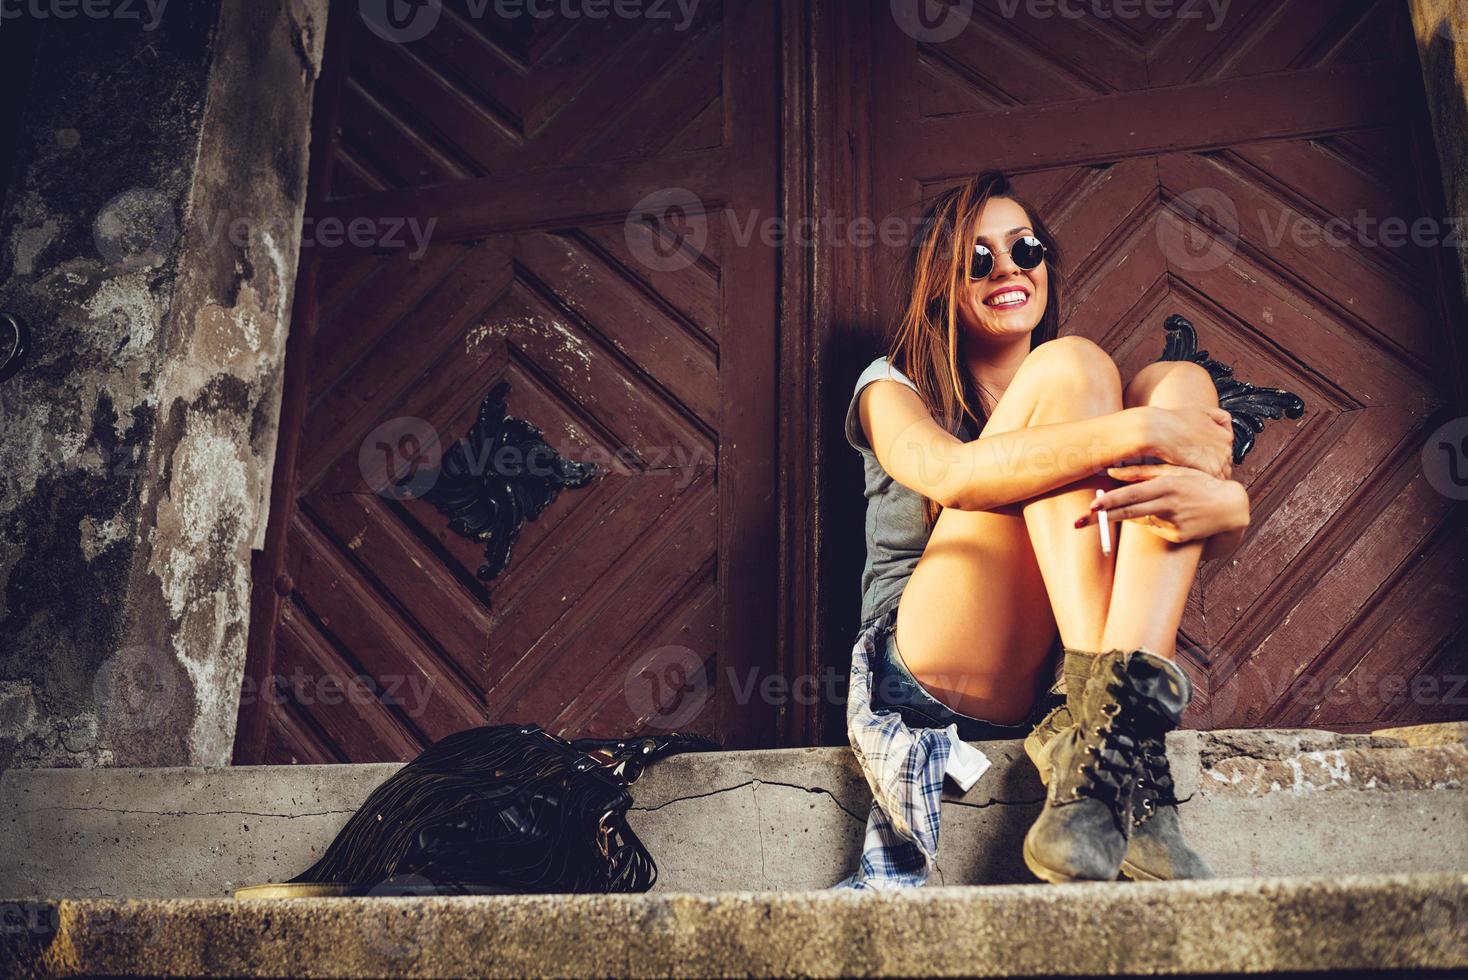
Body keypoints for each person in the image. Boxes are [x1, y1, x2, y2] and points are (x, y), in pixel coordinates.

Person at [844, 170, 1251, 883]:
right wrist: (1146, 431)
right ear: (941, 284)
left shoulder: (1098, 402)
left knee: (1179, 384)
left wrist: (1233, 511)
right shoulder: (891, 383)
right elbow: (951, 476)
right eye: (978, 259)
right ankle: (1130, 758)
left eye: (1024, 249)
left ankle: (1105, 750)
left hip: (1049, 679)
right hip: (934, 674)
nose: (1008, 269)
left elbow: (1182, 530)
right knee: (1077, 368)